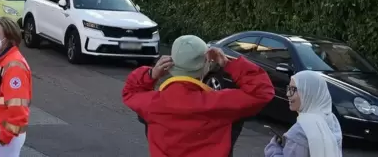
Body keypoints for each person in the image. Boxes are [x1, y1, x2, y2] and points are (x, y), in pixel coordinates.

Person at [122, 34, 274, 157]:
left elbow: (130, 91)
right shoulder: (219, 103)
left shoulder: (153, 104)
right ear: (205, 67)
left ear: (169, 63)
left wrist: (151, 74)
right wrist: (228, 63)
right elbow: (262, 91)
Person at [0, 17, 32, 157]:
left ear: (9, 38)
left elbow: (19, 110)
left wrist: (4, 138)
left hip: (3, 136)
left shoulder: (14, 66)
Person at [264, 71, 343, 157]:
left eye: (293, 89)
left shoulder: (300, 131)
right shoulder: (331, 120)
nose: (288, 94)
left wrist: (273, 148)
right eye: (289, 88)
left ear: (308, 93)